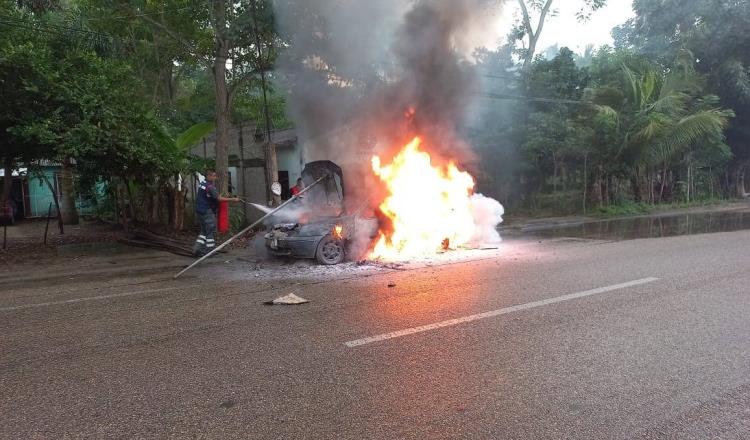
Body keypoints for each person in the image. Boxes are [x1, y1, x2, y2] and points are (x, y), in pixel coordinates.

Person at [193, 170, 239, 257]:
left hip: (200, 210)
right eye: (213, 176)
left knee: (204, 231)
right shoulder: (210, 187)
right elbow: (219, 199)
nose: (215, 178)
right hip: (207, 211)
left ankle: (197, 249)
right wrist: (233, 199)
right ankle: (210, 251)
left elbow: (211, 196)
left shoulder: (203, 184)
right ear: (208, 176)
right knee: (210, 230)